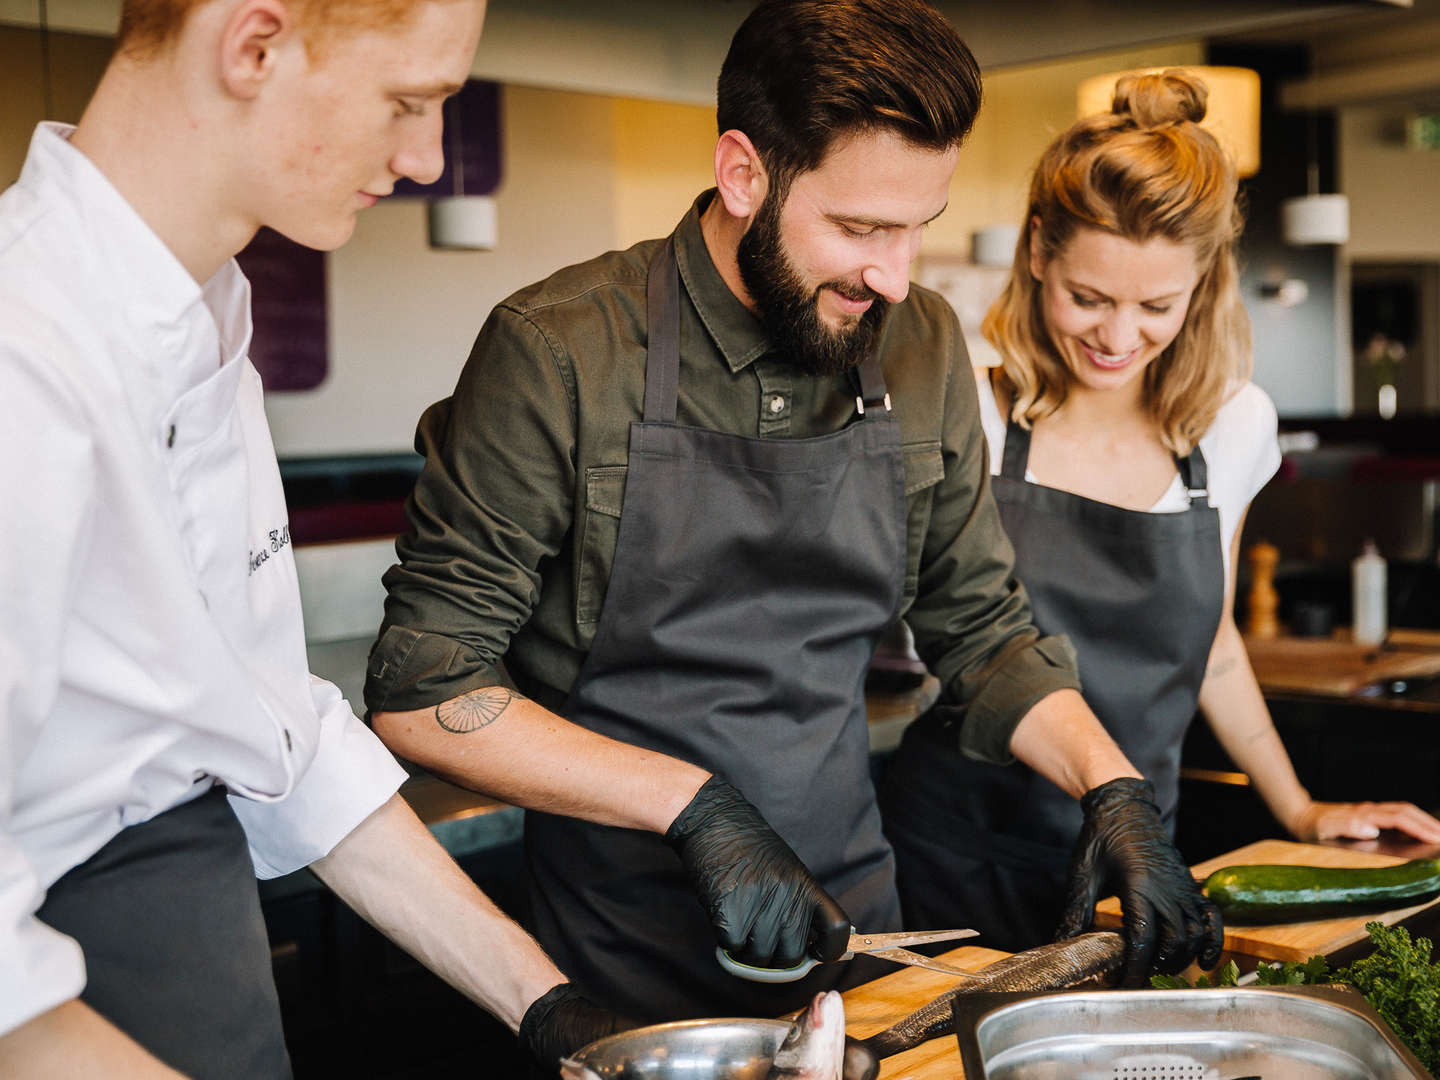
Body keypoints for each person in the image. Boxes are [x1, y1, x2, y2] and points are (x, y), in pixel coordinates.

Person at [365, 0, 1223, 1023]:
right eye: (862, 228)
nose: (894, 275)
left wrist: (1113, 790)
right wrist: (696, 809)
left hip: (859, 926)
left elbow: (984, 632)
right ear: (743, 174)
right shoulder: (560, 353)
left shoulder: (921, 342)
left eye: (918, 230)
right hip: (623, 951)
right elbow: (423, 688)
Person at [0, 2, 630, 1076]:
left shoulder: (207, 328)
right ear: (253, 45)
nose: (430, 156)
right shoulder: (24, 351)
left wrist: (553, 1011)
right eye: (410, 100)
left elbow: (284, 741)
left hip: (206, 969)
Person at [878, 69, 1440, 954]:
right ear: (1036, 255)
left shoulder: (1233, 427)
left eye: (1156, 307)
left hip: (1139, 862)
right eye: (1088, 298)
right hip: (955, 856)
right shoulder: (975, 416)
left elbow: (1211, 649)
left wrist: (1301, 808)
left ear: (1202, 285)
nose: (1117, 336)